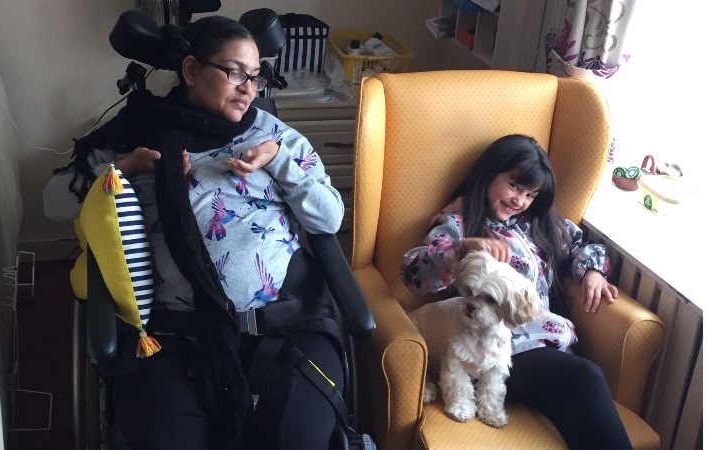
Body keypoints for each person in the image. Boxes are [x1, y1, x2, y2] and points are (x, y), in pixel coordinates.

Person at [44, 15, 346, 450]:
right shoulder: (132, 136)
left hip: (282, 326)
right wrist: (122, 171)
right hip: (174, 337)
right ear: (191, 70)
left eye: (255, 77)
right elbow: (53, 202)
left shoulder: (274, 137)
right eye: (235, 73)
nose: (248, 89)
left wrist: (279, 160)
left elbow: (329, 218)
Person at [400, 134, 632, 450]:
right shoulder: (459, 220)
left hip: (547, 349)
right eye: (514, 186)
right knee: (587, 375)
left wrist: (592, 271)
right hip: (495, 350)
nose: (520, 200)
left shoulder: (537, 223)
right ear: (489, 174)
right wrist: (463, 247)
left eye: (530, 194)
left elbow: (581, 244)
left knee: (574, 418)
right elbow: (413, 273)